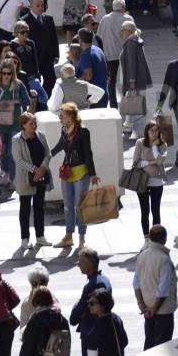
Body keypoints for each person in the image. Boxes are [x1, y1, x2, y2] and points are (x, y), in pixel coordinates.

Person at [50, 102, 99, 248]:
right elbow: (60, 145)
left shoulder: (83, 131)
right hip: (67, 172)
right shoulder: (64, 129)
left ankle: (82, 239)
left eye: (62, 116)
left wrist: (93, 174)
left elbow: (88, 153)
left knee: (80, 206)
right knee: (68, 206)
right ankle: (68, 236)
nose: (60, 118)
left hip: (81, 172)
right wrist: (49, 154)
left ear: (70, 117)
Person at [68, 247, 112, 356]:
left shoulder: (93, 284)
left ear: (89, 263)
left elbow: (79, 309)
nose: (78, 264)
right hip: (97, 330)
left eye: (80, 262)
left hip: (91, 333)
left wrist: (75, 313)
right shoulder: (103, 279)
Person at [133, 225, 178, 349]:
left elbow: (136, 283)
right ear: (164, 239)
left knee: (149, 343)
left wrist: (142, 304)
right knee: (162, 347)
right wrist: (155, 308)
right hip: (162, 311)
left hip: (147, 308)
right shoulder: (164, 259)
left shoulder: (142, 256)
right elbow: (163, 289)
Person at [11, 112, 51, 248]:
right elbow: (18, 159)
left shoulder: (41, 136)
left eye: (35, 123)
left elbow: (48, 153)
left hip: (41, 177)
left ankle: (40, 236)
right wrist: (35, 170)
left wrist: (43, 168)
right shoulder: (17, 139)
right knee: (25, 208)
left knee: (39, 207)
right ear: (23, 125)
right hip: (25, 178)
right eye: (31, 124)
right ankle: (25, 239)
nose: (34, 126)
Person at [83, 287, 128, 356]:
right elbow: (124, 341)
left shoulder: (102, 324)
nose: (89, 305)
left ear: (102, 305)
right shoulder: (116, 318)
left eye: (92, 303)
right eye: (88, 302)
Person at [96, 0, 133, 108]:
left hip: (109, 54)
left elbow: (98, 36)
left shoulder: (105, 19)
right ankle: (127, 103)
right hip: (126, 55)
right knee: (126, 80)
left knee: (111, 81)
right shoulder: (128, 18)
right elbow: (135, 37)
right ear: (123, 7)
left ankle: (113, 104)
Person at [132, 120, 167, 236]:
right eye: (151, 130)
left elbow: (161, 160)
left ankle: (156, 239)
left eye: (156, 130)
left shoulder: (162, 144)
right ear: (147, 131)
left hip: (157, 181)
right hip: (142, 181)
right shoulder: (140, 143)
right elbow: (136, 163)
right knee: (145, 211)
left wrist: (155, 147)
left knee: (155, 211)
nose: (154, 133)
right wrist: (152, 162)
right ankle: (146, 239)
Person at [119, 21, 152, 130]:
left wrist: (132, 81)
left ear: (128, 31)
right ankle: (131, 123)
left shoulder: (130, 43)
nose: (121, 32)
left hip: (133, 77)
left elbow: (132, 63)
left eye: (123, 30)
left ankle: (129, 124)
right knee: (135, 99)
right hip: (138, 76)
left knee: (131, 99)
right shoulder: (134, 40)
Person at [74, 29, 108, 108]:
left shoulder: (86, 54)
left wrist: (74, 82)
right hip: (102, 94)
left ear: (80, 40)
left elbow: (88, 76)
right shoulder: (98, 50)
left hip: (92, 98)